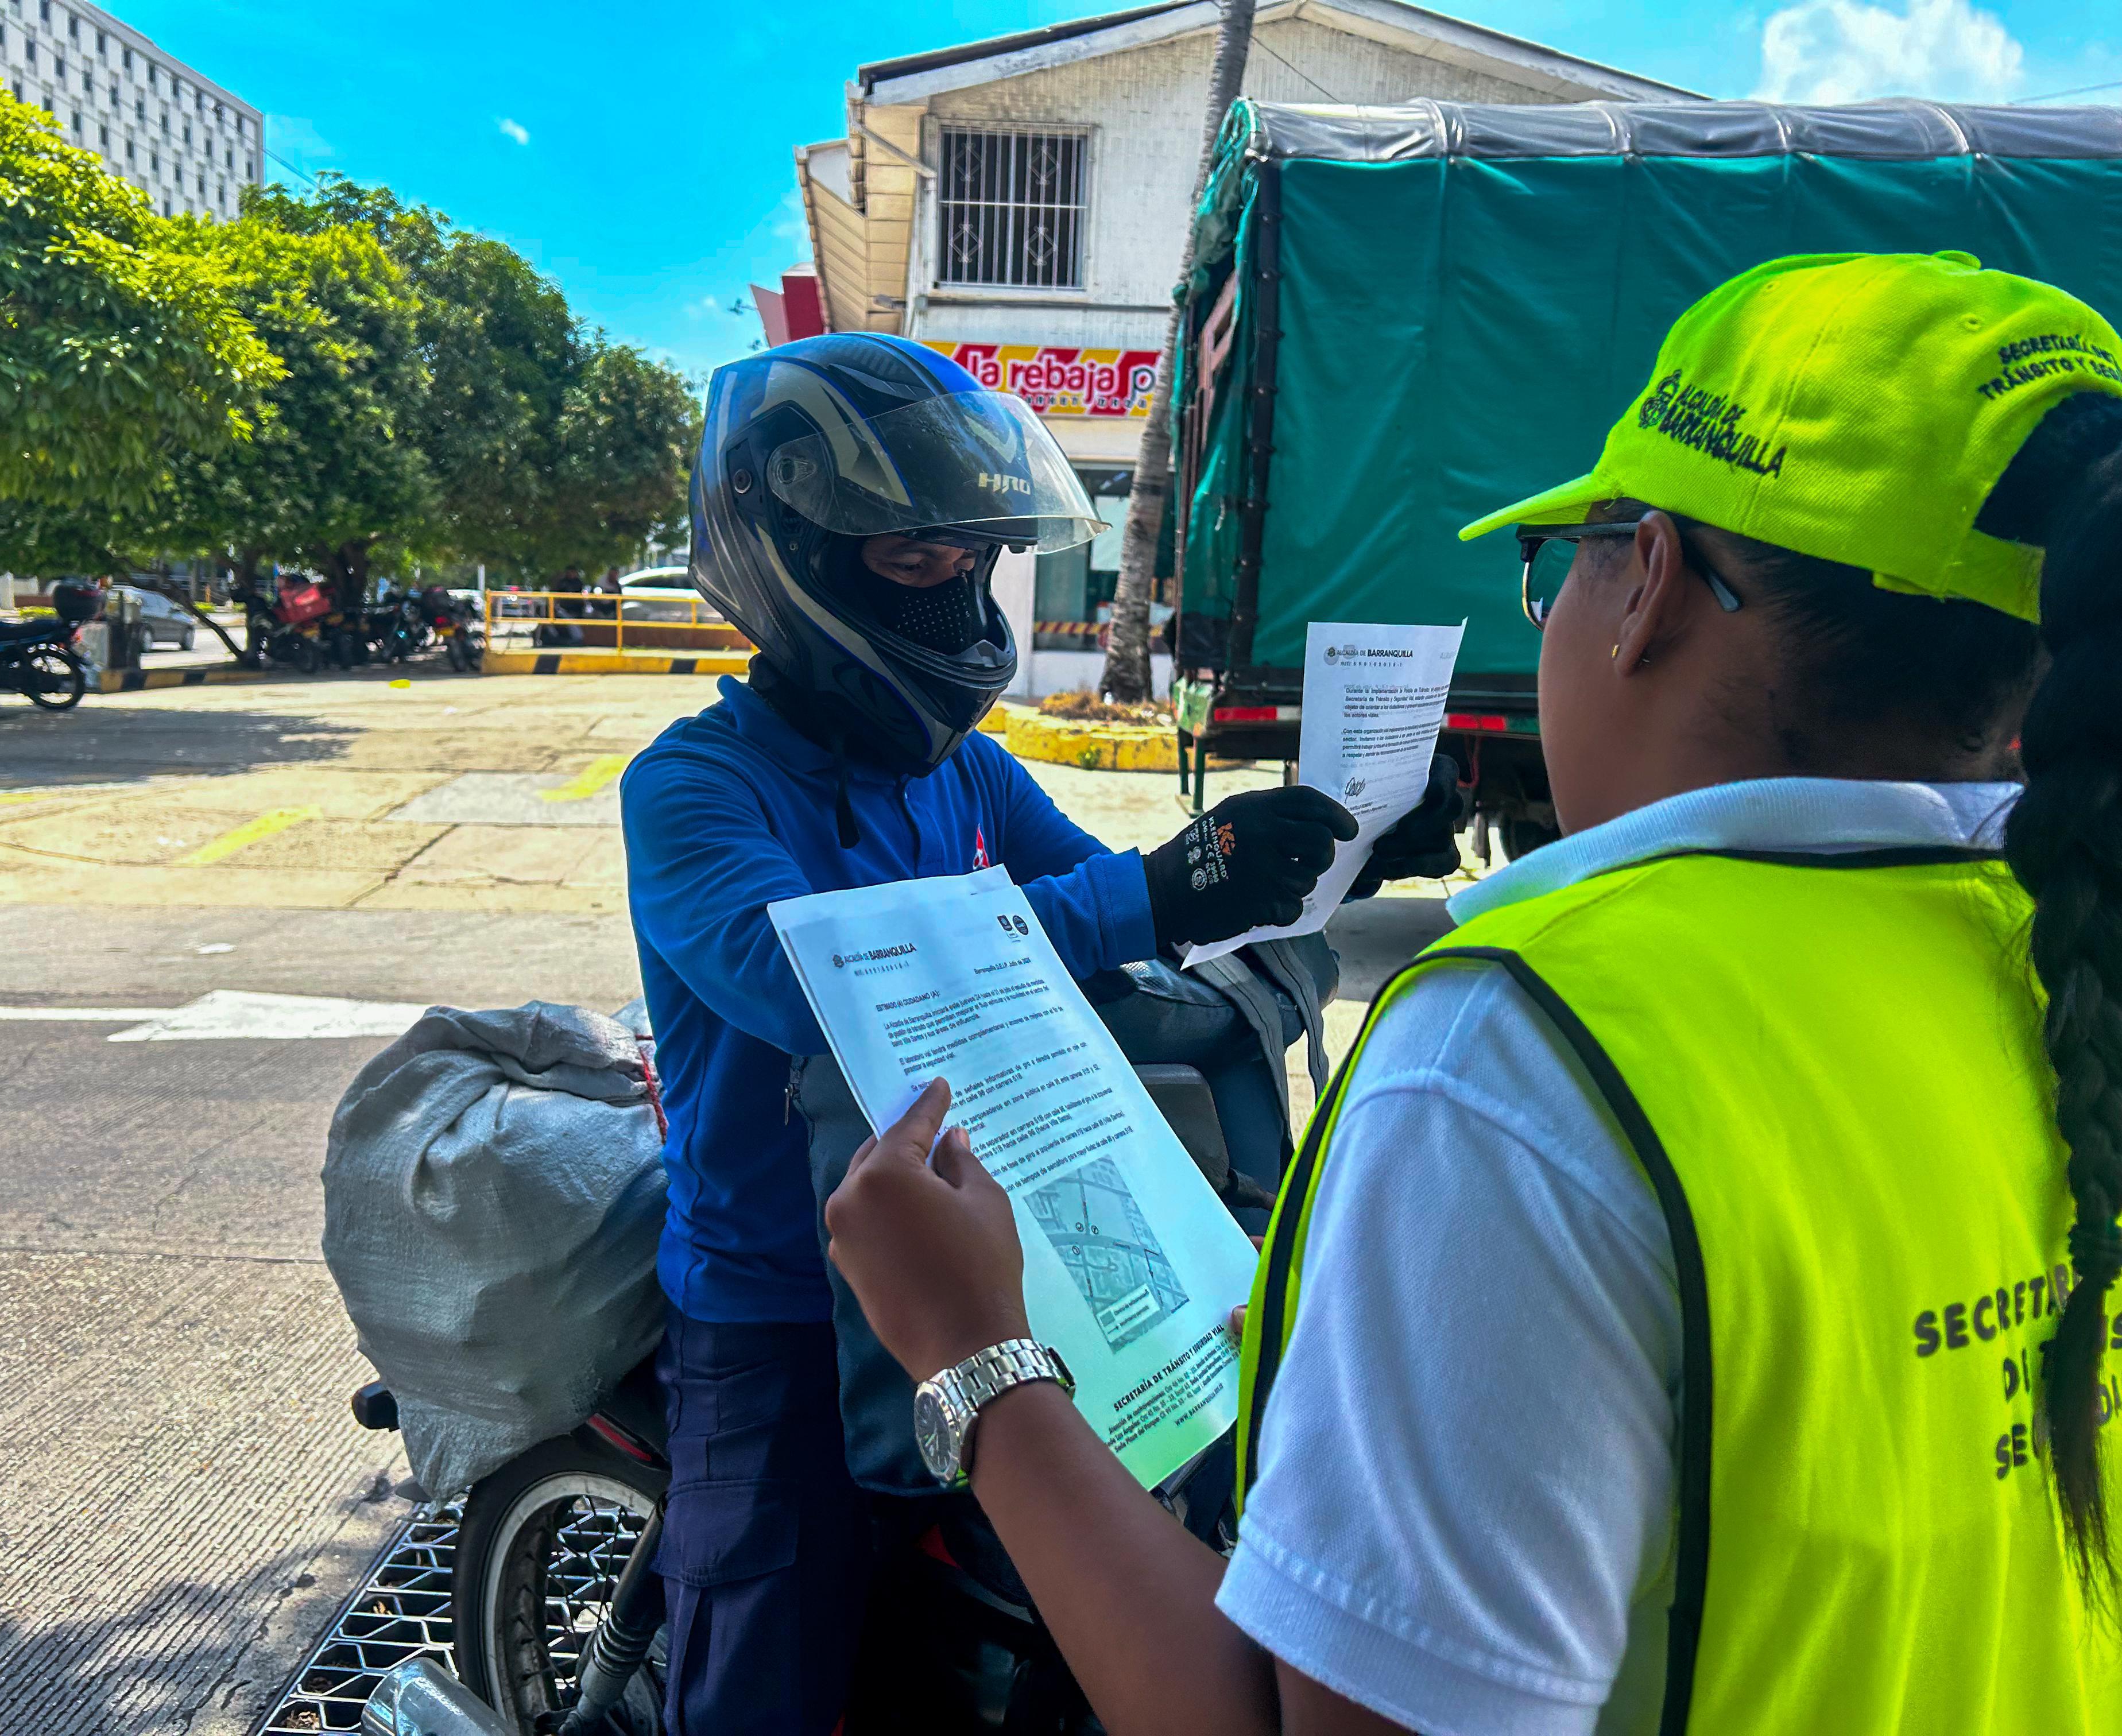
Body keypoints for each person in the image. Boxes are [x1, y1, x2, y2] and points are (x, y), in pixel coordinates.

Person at [827, 250, 2122, 1734]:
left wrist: (975, 1357)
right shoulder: (2068, 950)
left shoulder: (1520, 1061)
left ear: (1646, 584)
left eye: (1558, 559)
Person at [621, 331, 1455, 1734]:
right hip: (775, 1307)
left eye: (977, 558)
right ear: (792, 546)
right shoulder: (695, 789)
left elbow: (1126, 913)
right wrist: (1147, 889)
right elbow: (841, 994)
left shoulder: (973, 770)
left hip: (999, 1271)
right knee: (768, 1684)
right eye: (915, 559)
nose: (963, 597)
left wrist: (1315, 866)